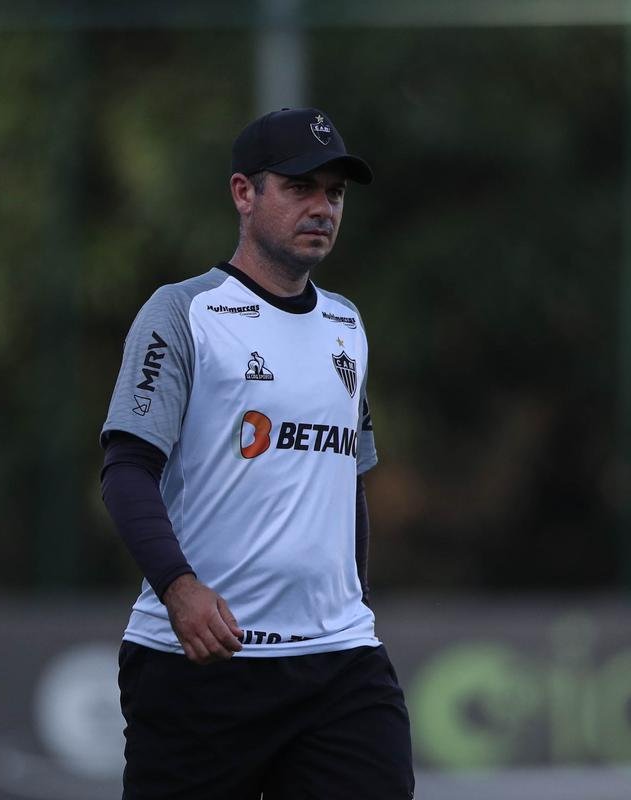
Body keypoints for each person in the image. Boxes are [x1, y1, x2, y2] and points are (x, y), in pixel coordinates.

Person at [99, 107, 415, 799]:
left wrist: (353, 602)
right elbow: (125, 470)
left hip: (337, 662)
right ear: (244, 193)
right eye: (300, 186)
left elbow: (349, 479)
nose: (321, 207)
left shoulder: (345, 324)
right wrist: (178, 588)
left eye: (333, 193)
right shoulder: (183, 313)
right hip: (203, 665)